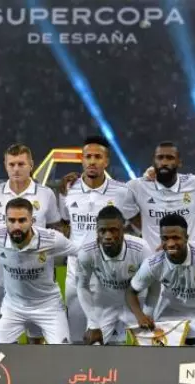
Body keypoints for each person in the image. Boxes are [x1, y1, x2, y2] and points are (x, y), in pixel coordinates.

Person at [58, 136, 139, 344]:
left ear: (106, 161)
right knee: (76, 339)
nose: (92, 161)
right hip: (76, 275)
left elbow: (137, 224)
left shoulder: (121, 192)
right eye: (88, 156)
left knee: (112, 341)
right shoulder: (68, 189)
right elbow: (65, 224)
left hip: (110, 277)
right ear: (82, 160)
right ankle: (80, 375)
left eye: (98, 157)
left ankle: (113, 376)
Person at [0, 143, 62, 344]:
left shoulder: (45, 194)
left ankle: (35, 374)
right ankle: (10, 374)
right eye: (12, 164)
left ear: (31, 165)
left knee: (36, 338)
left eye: (21, 164)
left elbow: (55, 228)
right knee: (4, 337)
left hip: (37, 279)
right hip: (4, 278)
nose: (16, 169)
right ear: (6, 165)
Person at [0, 197, 79, 344]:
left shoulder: (52, 240)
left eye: (22, 220)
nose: (16, 226)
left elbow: (80, 253)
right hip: (13, 307)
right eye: (11, 220)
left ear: (32, 221)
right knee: (0, 351)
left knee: (63, 353)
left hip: (48, 306)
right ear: (5, 221)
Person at [127, 214, 195, 347]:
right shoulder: (153, 264)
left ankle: (193, 340)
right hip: (170, 312)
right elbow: (130, 292)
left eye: (176, 238)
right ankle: (190, 340)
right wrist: (140, 316)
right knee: (154, 353)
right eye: (165, 238)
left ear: (186, 238)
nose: (170, 243)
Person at [76, 206, 151, 345]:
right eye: (102, 231)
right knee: (93, 344)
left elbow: (154, 284)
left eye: (113, 230)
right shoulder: (86, 252)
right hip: (104, 304)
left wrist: (148, 313)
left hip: (136, 304)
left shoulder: (141, 248)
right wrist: (93, 324)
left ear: (123, 230)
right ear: (96, 231)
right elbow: (82, 286)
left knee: (151, 347)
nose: (108, 236)